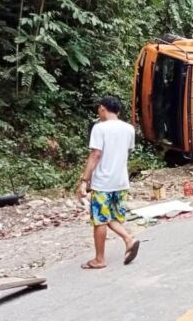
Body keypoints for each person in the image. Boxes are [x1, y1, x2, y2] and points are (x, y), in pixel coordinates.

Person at [77, 96, 139, 269]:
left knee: (100, 220)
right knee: (110, 216)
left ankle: (99, 259)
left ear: (103, 108)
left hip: (103, 181)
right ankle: (128, 239)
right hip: (120, 181)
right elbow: (126, 151)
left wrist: (84, 181)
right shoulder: (129, 129)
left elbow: (96, 154)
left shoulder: (99, 128)